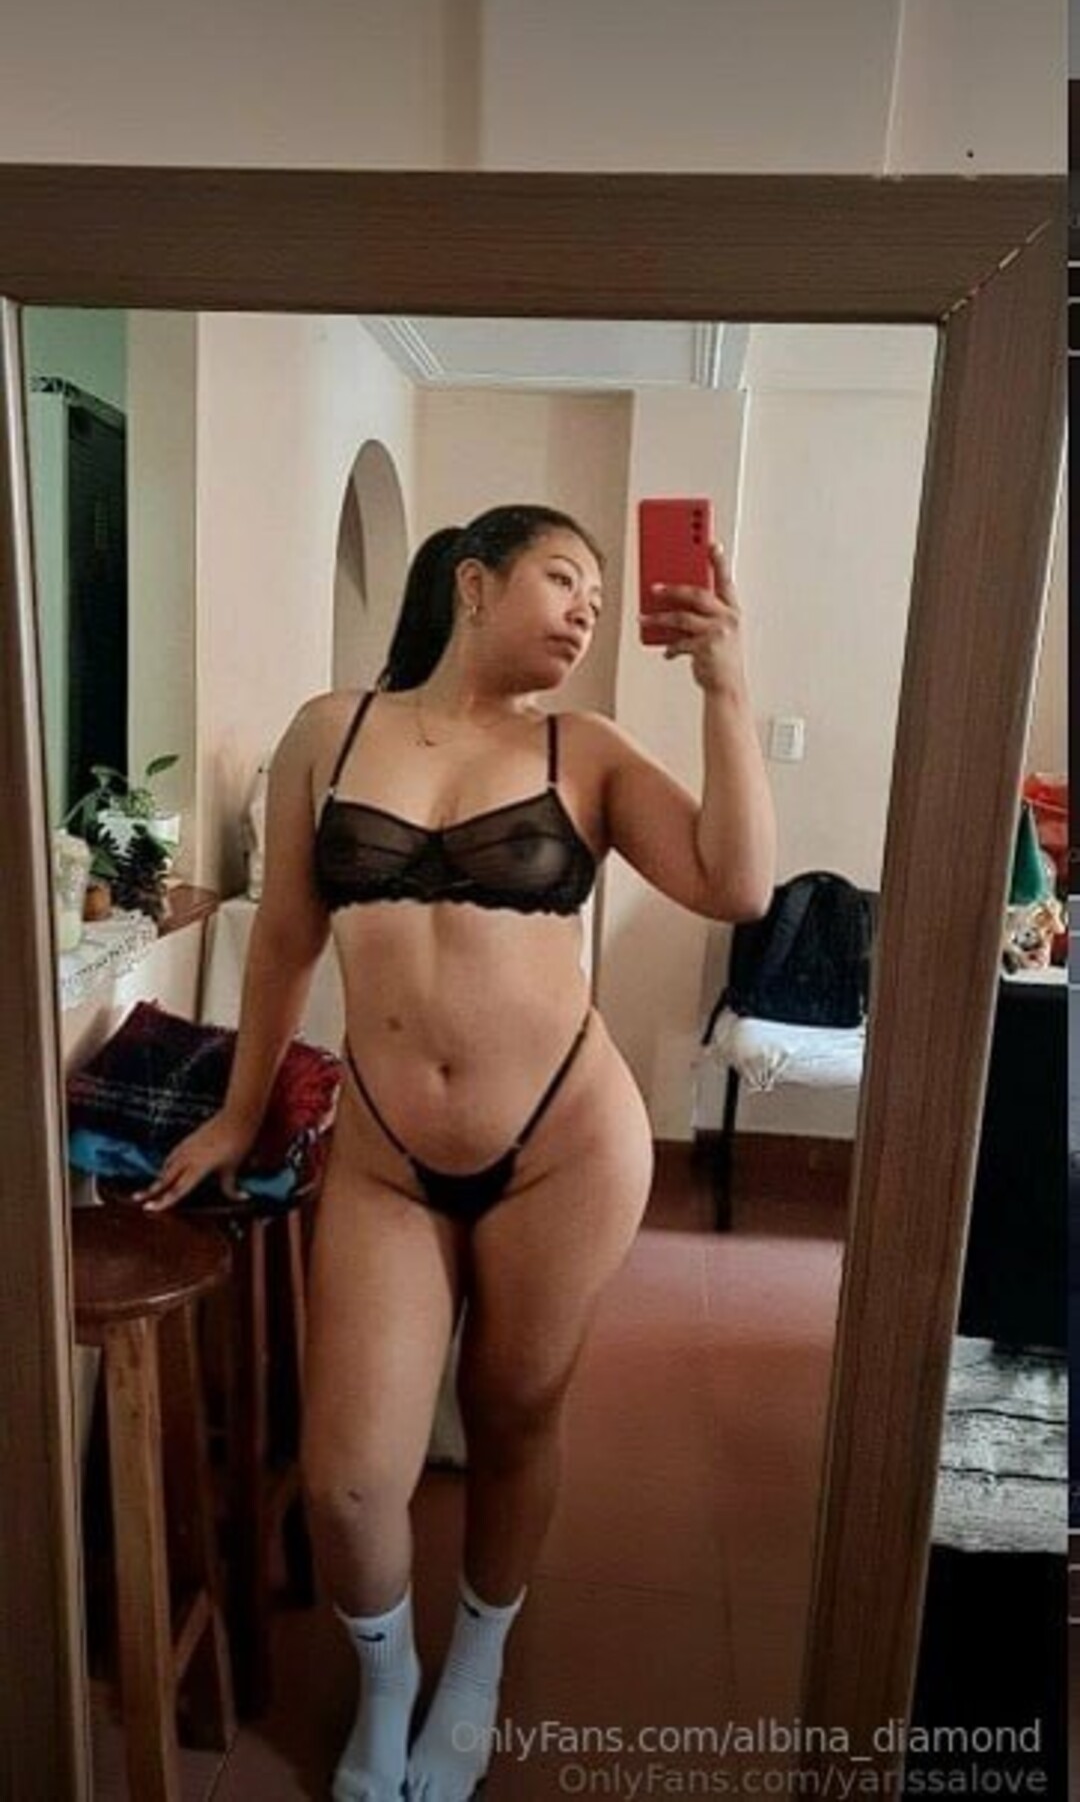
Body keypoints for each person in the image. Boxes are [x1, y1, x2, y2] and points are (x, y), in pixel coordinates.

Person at [142, 503, 775, 1802]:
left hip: (565, 1147)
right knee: (349, 1482)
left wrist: (726, 683)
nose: (588, 608)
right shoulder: (331, 732)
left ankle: (476, 1663)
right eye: (564, 577)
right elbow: (284, 941)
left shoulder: (582, 750)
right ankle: (388, 1681)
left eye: (599, 591)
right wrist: (241, 1110)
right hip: (385, 1155)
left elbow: (736, 883)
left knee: (510, 1411)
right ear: (475, 584)